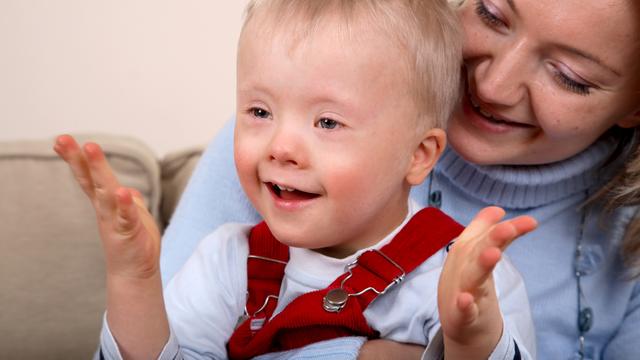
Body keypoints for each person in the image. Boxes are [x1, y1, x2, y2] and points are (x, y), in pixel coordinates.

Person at [54, 0, 537, 359]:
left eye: (327, 123)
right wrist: (134, 278)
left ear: (418, 154)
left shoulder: (458, 278)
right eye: (260, 111)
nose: (280, 147)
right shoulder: (230, 263)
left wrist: (469, 336)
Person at [159, 0, 640, 359]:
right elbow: (169, 343)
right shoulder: (279, 147)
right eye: (492, 15)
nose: (492, 86)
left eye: (569, 76)